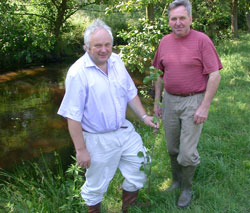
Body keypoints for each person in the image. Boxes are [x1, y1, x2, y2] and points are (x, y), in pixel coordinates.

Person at [58, 19, 159, 213]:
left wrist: (144, 117)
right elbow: (72, 116)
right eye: (98, 45)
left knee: (141, 163)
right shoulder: (77, 73)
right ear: (87, 47)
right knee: (96, 185)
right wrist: (80, 150)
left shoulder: (116, 61)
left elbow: (130, 93)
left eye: (107, 45)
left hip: (123, 131)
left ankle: (129, 206)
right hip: (97, 139)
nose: (103, 50)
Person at [153, 0, 222, 208]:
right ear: (169, 21)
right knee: (173, 148)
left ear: (191, 19)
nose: (178, 22)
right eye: (173, 19)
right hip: (170, 101)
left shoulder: (202, 41)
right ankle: (176, 181)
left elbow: (215, 75)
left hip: (194, 100)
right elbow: (158, 73)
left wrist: (205, 106)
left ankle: (186, 188)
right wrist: (157, 101)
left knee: (186, 152)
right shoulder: (164, 42)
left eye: (182, 18)